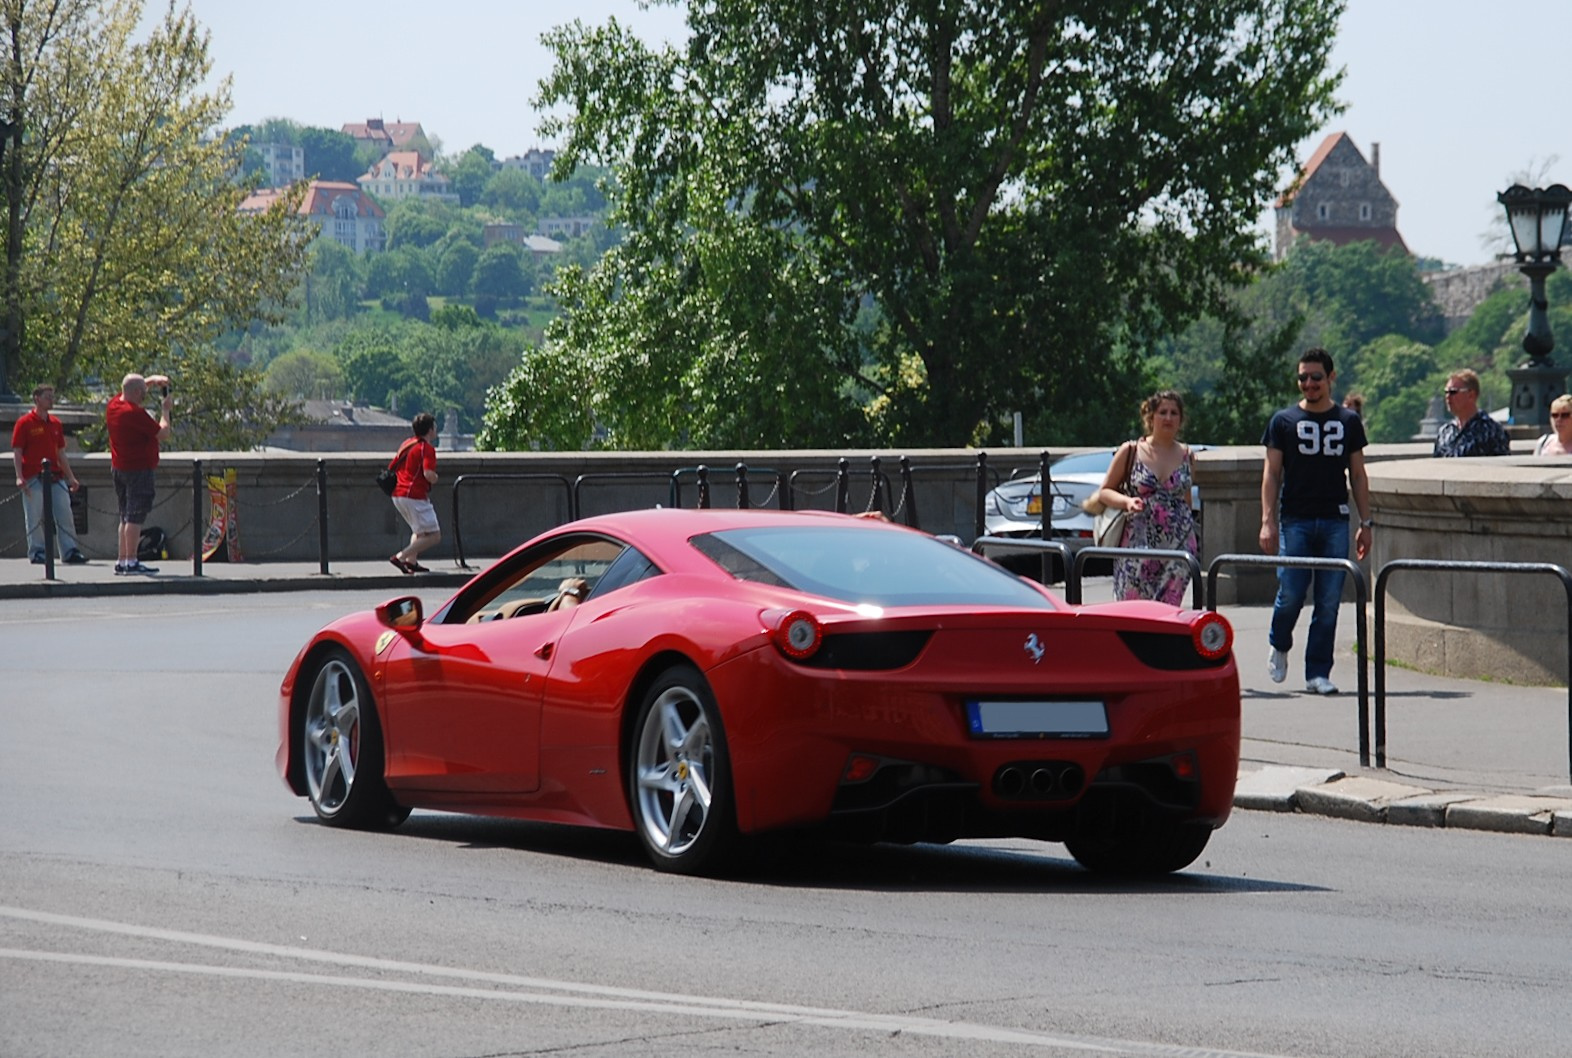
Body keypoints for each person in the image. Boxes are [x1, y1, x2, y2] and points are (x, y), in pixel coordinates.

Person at [1260, 348, 1371, 696]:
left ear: (1331, 378)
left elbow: (1357, 473)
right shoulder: (1283, 421)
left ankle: (1317, 672)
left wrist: (1365, 521)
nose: (1309, 383)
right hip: (1295, 518)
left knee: (1328, 600)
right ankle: (1279, 642)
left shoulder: (1348, 421)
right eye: (1303, 377)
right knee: (1291, 591)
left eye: (1316, 377)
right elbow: (1271, 473)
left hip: (1335, 518)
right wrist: (1267, 520)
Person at [1093, 389, 1197, 605]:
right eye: (1162, 412)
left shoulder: (1187, 455)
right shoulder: (1131, 450)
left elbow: (1186, 499)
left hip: (1178, 545)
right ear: (1151, 416)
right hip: (1137, 542)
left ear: (1181, 419)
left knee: (1168, 608)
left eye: (1174, 413)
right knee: (1133, 607)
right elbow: (1105, 491)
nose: (1168, 418)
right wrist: (1127, 502)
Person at [11, 383, 86, 565]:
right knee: (35, 516)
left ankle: (69, 551)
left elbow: (60, 453)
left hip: (55, 476)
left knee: (64, 513)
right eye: (47, 397)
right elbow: (17, 451)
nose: (51, 400)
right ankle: (37, 551)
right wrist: (19, 476)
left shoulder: (56, 424)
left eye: (52, 396)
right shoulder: (24, 423)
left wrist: (70, 477)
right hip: (33, 476)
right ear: (37, 398)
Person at [105, 373, 172, 575]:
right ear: (135, 392)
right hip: (138, 470)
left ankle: (122, 560)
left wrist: (150, 381)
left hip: (120, 468)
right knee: (134, 518)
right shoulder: (134, 414)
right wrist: (165, 410)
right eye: (142, 392)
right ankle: (132, 561)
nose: (144, 395)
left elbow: (130, 388)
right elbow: (164, 432)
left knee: (125, 517)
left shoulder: (114, 406)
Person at [388, 412, 440, 574]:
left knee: (419, 532)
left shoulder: (407, 444)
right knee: (434, 535)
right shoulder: (427, 449)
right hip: (414, 495)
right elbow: (428, 474)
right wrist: (436, 478)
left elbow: (392, 466)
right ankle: (401, 557)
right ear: (430, 430)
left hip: (398, 493)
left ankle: (411, 561)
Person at [1433, 369, 1511, 457]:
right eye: (1446, 392)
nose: (1448, 397)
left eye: (1453, 392)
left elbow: (1503, 466)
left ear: (1471, 395)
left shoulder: (1491, 430)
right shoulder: (1445, 432)